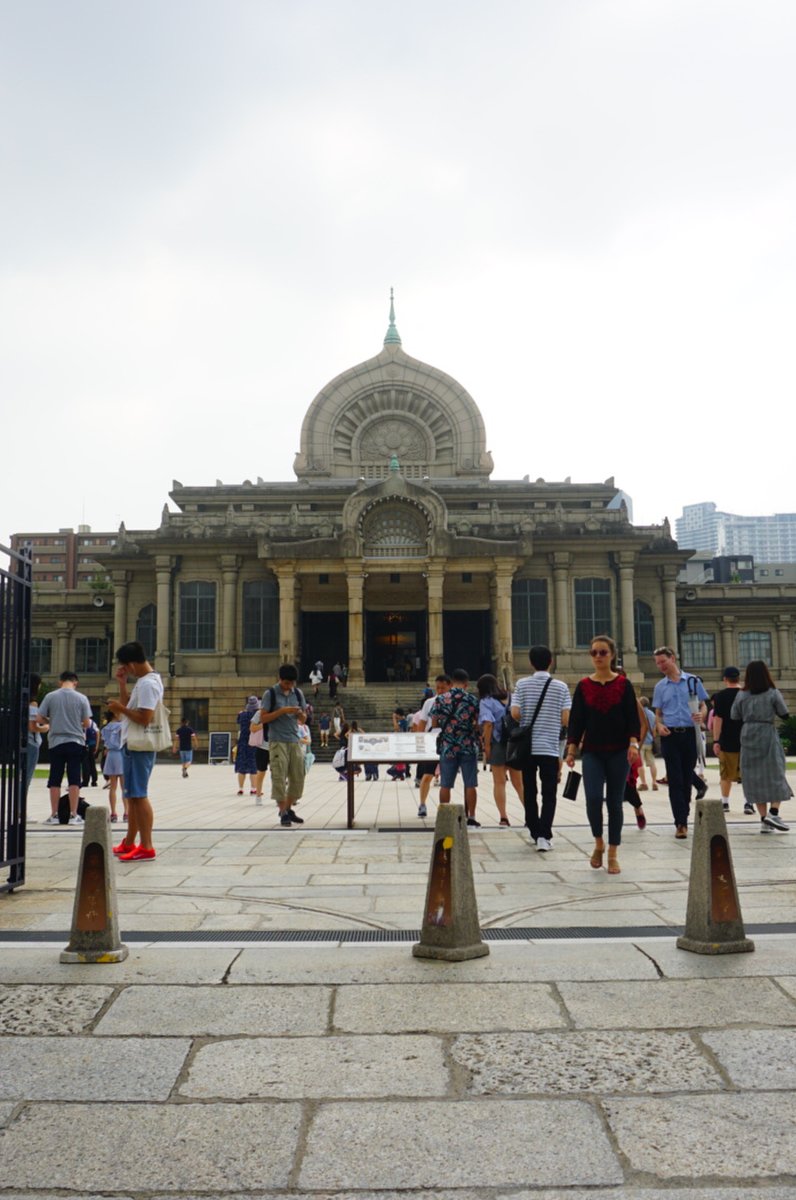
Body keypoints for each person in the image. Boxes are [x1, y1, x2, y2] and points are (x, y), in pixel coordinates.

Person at [565, 635, 641, 875]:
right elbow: (576, 720)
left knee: (615, 802)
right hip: (593, 752)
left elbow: (632, 717)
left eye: (603, 652)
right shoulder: (584, 686)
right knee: (594, 798)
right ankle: (598, 843)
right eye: (594, 652)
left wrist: (633, 743)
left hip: (619, 751)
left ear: (612, 655)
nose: (598, 656)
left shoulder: (623, 685)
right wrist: (571, 748)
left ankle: (613, 852)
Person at [107, 641, 164, 862]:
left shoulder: (149, 684)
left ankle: (147, 845)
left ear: (131, 664)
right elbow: (129, 709)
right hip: (131, 744)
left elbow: (144, 718)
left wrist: (120, 708)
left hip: (139, 746)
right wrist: (122, 685)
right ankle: (131, 841)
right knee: (132, 796)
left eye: (125, 667)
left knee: (139, 795)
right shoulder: (143, 682)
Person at [510, 646, 571, 851]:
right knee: (549, 792)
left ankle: (535, 831)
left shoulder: (522, 684)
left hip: (528, 748)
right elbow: (565, 719)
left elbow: (515, 713)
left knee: (530, 790)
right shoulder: (561, 687)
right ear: (550, 662)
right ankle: (545, 834)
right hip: (550, 748)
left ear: (530, 663)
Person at [652, 645, 708, 838]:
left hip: (690, 734)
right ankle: (680, 822)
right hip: (670, 736)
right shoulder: (660, 687)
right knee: (674, 779)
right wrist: (658, 726)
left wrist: (702, 715)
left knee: (685, 777)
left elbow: (703, 703)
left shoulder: (693, 681)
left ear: (673, 659)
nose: (660, 666)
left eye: (663, 662)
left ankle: (684, 814)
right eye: (658, 663)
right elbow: (658, 714)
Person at [731, 660, 792, 833]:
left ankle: (764, 820)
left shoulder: (742, 694)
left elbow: (734, 715)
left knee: (753, 777)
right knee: (776, 772)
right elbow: (785, 714)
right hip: (767, 732)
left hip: (748, 733)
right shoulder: (772, 692)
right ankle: (773, 813)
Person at [38, 671, 92, 826]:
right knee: (74, 779)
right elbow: (87, 723)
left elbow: (39, 718)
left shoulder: (50, 696)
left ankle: (54, 814)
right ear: (75, 682)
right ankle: (74, 814)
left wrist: (53, 720)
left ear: (60, 681)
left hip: (56, 741)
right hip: (76, 741)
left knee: (55, 778)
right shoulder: (82, 698)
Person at [430, 668, 481, 827]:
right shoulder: (472, 700)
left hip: (448, 746)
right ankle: (471, 817)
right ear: (466, 684)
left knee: (445, 784)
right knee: (470, 783)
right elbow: (478, 724)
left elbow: (434, 723)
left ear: (451, 682)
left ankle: (444, 817)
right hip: (467, 746)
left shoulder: (440, 699)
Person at [261, 664, 307, 827]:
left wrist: (300, 714)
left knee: (298, 776)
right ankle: (283, 812)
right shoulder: (270, 694)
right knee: (279, 777)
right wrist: (282, 711)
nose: (290, 686)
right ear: (280, 679)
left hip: (294, 740)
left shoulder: (298, 693)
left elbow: (303, 720)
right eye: (287, 683)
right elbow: (263, 718)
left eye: (292, 683)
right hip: (277, 740)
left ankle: (287, 809)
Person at [477, 673, 524, 828]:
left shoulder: (486, 701)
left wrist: (487, 746)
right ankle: (530, 814)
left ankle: (504, 817)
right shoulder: (512, 697)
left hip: (498, 743)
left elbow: (488, 724)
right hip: (515, 743)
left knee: (499, 782)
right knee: (519, 783)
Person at [412, 674, 450, 818]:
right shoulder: (429, 702)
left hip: (449, 741)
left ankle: (446, 807)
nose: (440, 690)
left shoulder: (453, 701)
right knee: (427, 775)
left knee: (447, 776)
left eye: (443, 688)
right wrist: (420, 742)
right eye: (438, 688)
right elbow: (422, 723)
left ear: (449, 686)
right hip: (431, 742)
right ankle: (422, 803)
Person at [711, 667, 745, 813]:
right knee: (747, 773)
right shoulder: (746, 694)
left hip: (727, 739)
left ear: (725, 679)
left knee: (726, 773)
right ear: (739, 678)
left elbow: (718, 720)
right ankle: (748, 802)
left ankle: (725, 802)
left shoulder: (720, 697)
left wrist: (716, 741)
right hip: (746, 739)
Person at [100, 710, 125, 821]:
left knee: (113, 787)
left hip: (111, 755)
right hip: (121, 755)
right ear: (116, 713)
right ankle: (126, 812)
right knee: (124, 787)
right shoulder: (122, 726)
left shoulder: (105, 728)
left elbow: (105, 743)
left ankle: (113, 813)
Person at [234, 696, 260, 795]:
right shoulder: (258, 714)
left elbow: (238, 722)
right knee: (253, 766)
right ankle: (253, 789)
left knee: (242, 766)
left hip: (242, 742)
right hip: (253, 742)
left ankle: (240, 788)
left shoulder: (242, 714)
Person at [637, 696, 658, 793]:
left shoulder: (637, 713)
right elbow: (654, 729)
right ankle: (654, 782)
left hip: (640, 741)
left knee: (640, 764)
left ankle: (644, 783)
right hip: (650, 741)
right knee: (652, 763)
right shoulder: (652, 714)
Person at [81, 717, 100, 788]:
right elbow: (98, 733)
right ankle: (94, 781)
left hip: (84, 745)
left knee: (85, 763)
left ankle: (85, 781)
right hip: (92, 745)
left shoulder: (81, 722)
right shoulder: (93, 723)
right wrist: (97, 746)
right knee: (92, 763)